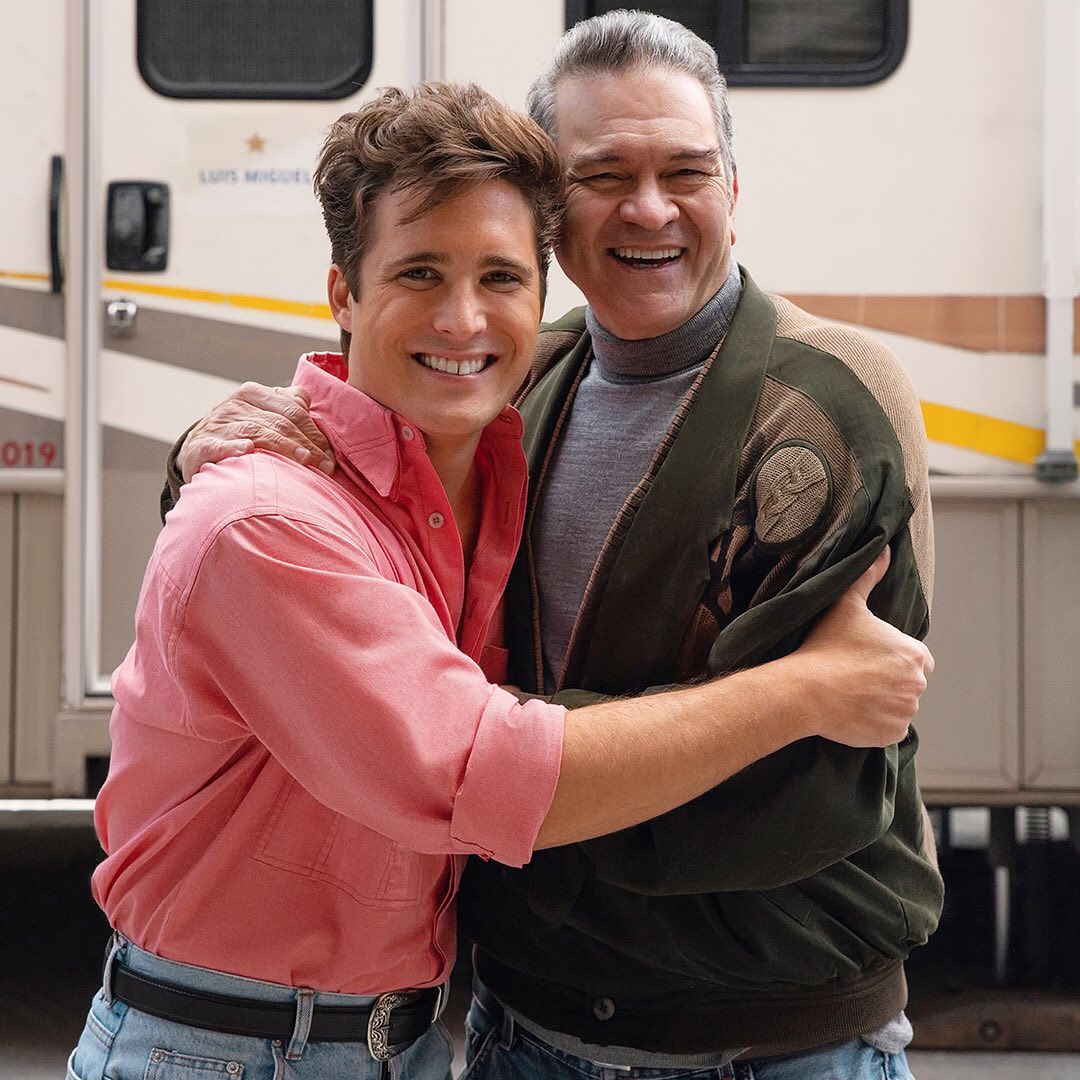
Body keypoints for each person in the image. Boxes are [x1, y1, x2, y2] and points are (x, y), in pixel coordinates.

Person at [71, 80, 931, 1080]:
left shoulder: (492, 462)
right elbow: (474, 771)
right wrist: (806, 689)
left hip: (409, 1040)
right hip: (234, 1052)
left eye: (500, 278)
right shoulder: (267, 517)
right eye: (420, 273)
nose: (464, 319)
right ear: (343, 294)